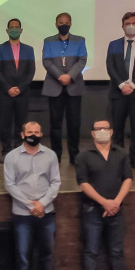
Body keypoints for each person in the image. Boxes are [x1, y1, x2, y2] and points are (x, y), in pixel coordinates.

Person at [74, 119, 135, 270]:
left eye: (105, 128)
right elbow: (83, 183)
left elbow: (128, 179)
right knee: (91, 250)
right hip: (92, 210)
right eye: (98, 129)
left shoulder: (122, 154)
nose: (101, 131)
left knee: (117, 250)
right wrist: (104, 203)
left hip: (116, 210)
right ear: (92, 133)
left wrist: (115, 203)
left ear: (111, 131)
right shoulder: (84, 156)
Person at [3, 121, 62, 270]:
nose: (33, 135)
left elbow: (55, 182)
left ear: (41, 134)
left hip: (47, 213)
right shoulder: (12, 157)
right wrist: (31, 206)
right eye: (29, 132)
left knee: (48, 254)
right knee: (23, 255)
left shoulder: (51, 155)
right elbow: (10, 185)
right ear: (22, 135)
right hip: (22, 214)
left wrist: (42, 204)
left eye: (37, 132)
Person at [106, 12, 135, 170]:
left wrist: (132, 85)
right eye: (127, 24)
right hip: (118, 92)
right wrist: (122, 85)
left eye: (134, 23)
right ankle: (118, 159)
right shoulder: (114, 45)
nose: (131, 26)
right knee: (117, 128)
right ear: (122, 26)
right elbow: (110, 67)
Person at [42, 12, 87, 164]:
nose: (64, 25)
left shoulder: (79, 40)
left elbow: (82, 60)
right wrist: (60, 76)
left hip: (74, 86)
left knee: (74, 123)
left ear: (71, 24)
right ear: (56, 25)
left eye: (66, 23)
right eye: (61, 23)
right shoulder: (48, 41)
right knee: (55, 124)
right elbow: (47, 61)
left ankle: (74, 155)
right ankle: (56, 155)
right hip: (54, 86)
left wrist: (70, 76)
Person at [0, 19, 36, 163]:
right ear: (7, 31)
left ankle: (20, 149)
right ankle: (6, 151)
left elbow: (31, 72)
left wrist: (20, 88)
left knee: (21, 123)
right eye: (11, 27)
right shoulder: (1, 48)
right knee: (5, 123)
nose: (14, 29)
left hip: (23, 92)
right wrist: (8, 88)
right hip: (5, 92)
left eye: (16, 27)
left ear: (21, 30)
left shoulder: (28, 49)